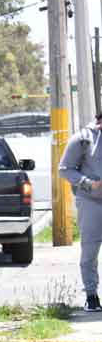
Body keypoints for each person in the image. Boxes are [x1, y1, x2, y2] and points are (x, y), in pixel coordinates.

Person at [58, 113, 102, 312]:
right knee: (90, 250)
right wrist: (89, 183)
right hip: (92, 201)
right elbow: (65, 169)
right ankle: (91, 295)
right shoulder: (83, 139)